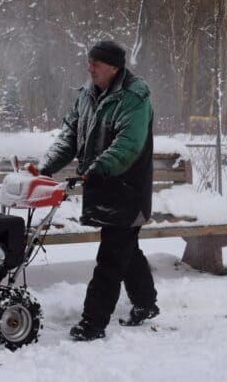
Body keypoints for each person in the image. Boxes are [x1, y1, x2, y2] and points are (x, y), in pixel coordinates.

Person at [37, 40, 159, 341]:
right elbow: (70, 136)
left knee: (111, 256)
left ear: (114, 68)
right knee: (125, 250)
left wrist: (96, 169)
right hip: (101, 186)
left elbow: (127, 146)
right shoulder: (88, 95)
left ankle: (93, 323)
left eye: (96, 64)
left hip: (127, 188)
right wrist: (45, 167)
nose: (89, 68)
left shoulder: (134, 99)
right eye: (89, 61)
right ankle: (146, 303)